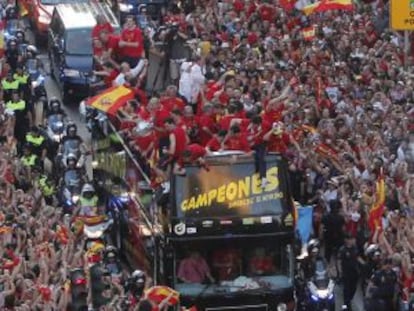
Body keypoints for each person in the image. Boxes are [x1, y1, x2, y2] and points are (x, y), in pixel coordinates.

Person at [337, 233, 365, 311]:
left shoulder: (355, 248)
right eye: (349, 239)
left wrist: (364, 264)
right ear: (346, 240)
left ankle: (349, 300)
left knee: (353, 288)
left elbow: (358, 257)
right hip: (346, 273)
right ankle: (346, 306)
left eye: (352, 239)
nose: (351, 240)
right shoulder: (342, 250)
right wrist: (340, 272)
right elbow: (339, 261)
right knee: (346, 290)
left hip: (354, 273)